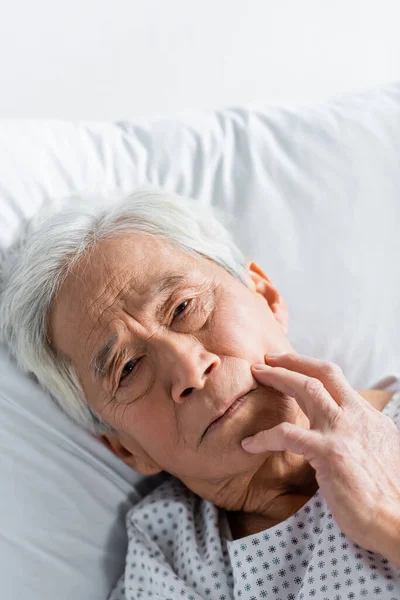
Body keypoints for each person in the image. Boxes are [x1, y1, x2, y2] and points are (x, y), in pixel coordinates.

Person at [1, 186, 399, 600]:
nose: (189, 369)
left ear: (264, 295)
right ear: (126, 449)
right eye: (129, 368)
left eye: (183, 308)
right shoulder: (166, 567)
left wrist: (388, 520)